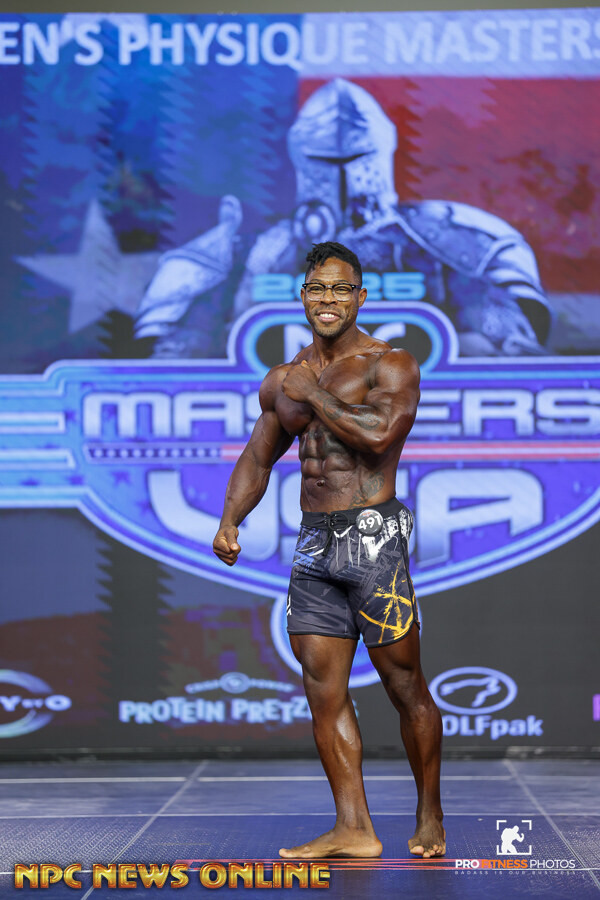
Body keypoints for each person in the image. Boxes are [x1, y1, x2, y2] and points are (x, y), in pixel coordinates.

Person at [213, 240, 445, 859]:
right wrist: (231, 519)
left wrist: (314, 393)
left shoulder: (389, 364)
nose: (329, 299)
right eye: (318, 288)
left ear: (360, 297)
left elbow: (380, 434)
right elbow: (259, 455)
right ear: (303, 297)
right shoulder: (284, 378)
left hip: (373, 539)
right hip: (314, 543)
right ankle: (354, 827)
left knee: (403, 683)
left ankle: (429, 812)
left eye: (341, 289)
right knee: (323, 687)